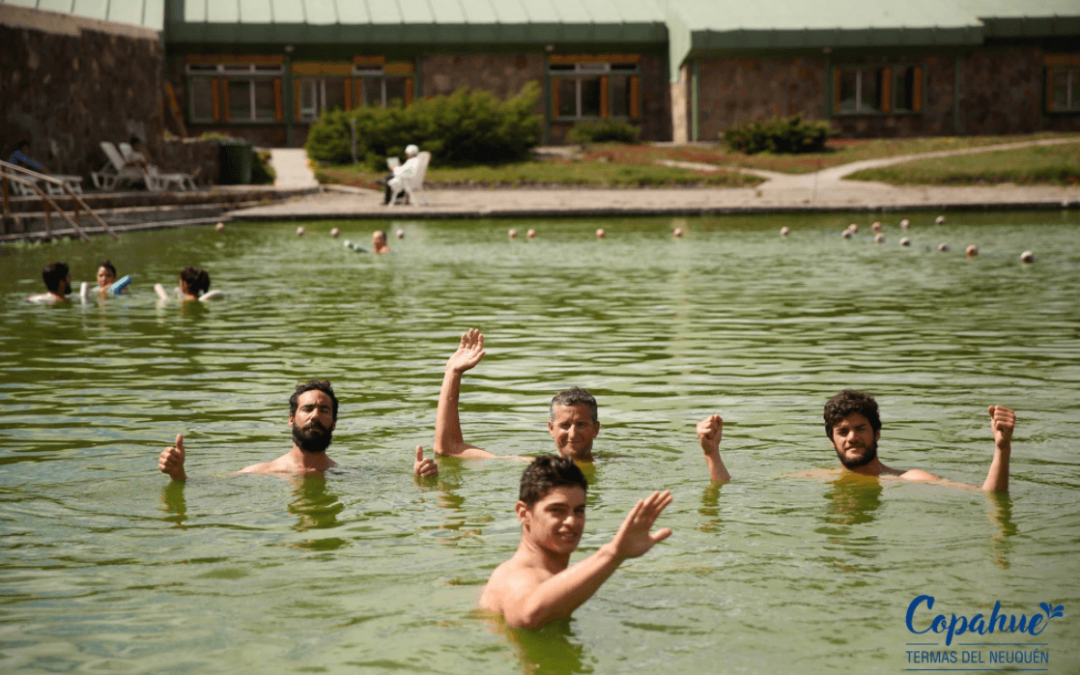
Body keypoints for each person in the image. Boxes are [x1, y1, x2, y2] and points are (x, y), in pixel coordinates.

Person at [434, 329, 732, 480]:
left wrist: (711, 455)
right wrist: (452, 374)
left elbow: (715, 486)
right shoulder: (533, 467)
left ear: (597, 429)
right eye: (564, 425)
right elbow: (449, 449)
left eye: (581, 424)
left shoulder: (620, 467)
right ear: (550, 429)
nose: (573, 433)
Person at [478, 455, 672, 629]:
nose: (572, 521)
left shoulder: (545, 573)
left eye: (578, 510)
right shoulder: (518, 576)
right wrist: (613, 554)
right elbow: (528, 614)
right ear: (523, 513)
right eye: (557, 510)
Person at [159, 379, 438, 480]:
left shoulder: (346, 476)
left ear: (335, 423)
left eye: (324, 410)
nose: (315, 415)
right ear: (291, 419)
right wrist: (179, 474)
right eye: (307, 409)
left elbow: (393, 485)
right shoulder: (260, 473)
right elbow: (202, 486)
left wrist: (419, 479)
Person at [822, 390, 1016, 492]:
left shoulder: (910, 479)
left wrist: (1002, 448)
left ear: (877, 434)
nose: (852, 438)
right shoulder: (815, 479)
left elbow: (987, 495)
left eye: (860, 429)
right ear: (832, 440)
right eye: (843, 431)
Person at [155, 266, 221, 302]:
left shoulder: (177, 301)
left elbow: (157, 286)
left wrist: (165, 299)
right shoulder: (203, 299)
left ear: (184, 284)